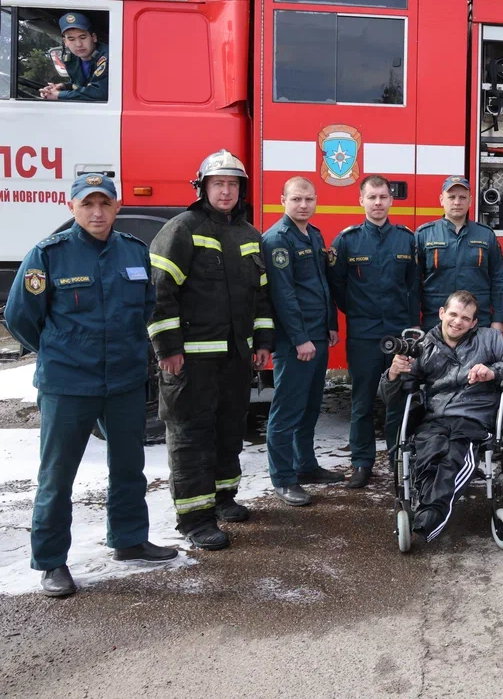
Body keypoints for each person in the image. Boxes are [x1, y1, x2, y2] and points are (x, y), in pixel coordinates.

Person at [5, 174, 177, 597]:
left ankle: (129, 539)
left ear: (117, 207)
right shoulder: (48, 255)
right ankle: (51, 562)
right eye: (88, 205)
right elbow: (20, 317)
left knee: (128, 466)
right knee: (57, 475)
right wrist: (57, 352)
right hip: (68, 384)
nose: (97, 213)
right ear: (72, 207)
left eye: (105, 204)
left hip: (122, 381)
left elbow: (146, 308)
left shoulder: (136, 253)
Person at [148, 150, 274, 550]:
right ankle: (194, 518)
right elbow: (159, 296)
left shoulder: (250, 236)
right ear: (202, 187)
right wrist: (168, 349)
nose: (226, 191)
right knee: (190, 435)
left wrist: (264, 343)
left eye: (233, 184)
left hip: (235, 357)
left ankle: (222, 499)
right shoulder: (181, 230)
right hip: (191, 360)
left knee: (228, 428)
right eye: (218, 183)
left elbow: (262, 298)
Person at [379, 291, 503, 541]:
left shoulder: (489, 339)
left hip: (473, 416)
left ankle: (432, 515)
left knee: (454, 457)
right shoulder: (423, 346)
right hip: (435, 416)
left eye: (465, 318)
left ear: (473, 323)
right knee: (428, 455)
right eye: (454, 314)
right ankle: (429, 509)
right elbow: (388, 397)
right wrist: (393, 374)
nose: (457, 322)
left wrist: (491, 371)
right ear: (442, 313)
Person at [330, 174, 420, 488]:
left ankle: (398, 460)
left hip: (398, 335)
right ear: (361, 201)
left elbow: (413, 286)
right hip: (364, 335)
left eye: (383, 197)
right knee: (362, 401)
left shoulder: (407, 239)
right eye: (372, 197)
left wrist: (411, 331)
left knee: (399, 399)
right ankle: (362, 463)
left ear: (391, 200)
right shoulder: (347, 240)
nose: (378, 203)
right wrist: (356, 311)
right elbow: (337, 286)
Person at [262, 177, 341, 506]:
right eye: (296, 199)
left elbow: (323, 284)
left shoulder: (314, 234)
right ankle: (283, 478)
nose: (303, 205)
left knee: (309, 408)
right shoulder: (278, 239)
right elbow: (283, 296)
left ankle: (305, 466)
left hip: (317, 336)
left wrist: (332, 325)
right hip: (297, 343)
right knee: (287, 411)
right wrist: (300, 339)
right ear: (283, 200)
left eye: (309, 199)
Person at [416, 175, 503, 331]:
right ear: (441, 200)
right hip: (436, 321)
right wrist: (414, 321)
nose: (457, 202)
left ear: (470, 201)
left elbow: (498, 279)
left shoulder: (486, 235)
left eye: (462, 197)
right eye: (451, 197)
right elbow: (412, 282)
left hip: (477, 322)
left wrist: (498, 319)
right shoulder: (424, 234)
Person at [39, 12, 108, 102]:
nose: (78, 44)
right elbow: (81, 85)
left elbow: (99, 92)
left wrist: (59, 95)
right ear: (65, 42)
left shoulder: (109, 56)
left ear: (93, 37)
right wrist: (63, 86)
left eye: (83, 37)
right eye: (71, 39)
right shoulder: (71, 59)